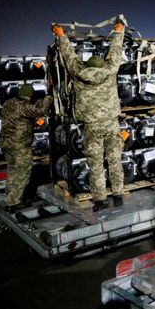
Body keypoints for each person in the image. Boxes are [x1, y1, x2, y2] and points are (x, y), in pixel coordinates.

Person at [52, 19, 126, 211]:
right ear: (103, 65)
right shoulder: (110, 71)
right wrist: (118, 30)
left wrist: (60, 35)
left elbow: (69, 56)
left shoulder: (79, 72)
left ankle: (100, 200)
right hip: (111, 124)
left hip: (92, 126)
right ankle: (118, 195)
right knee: (115, 159)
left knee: (95, 164)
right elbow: (115, 52)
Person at [0, 84, 53, 212]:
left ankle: (10, 195)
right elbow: (39, 110)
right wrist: (48, 98)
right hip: (19, 146)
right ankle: (14, 202)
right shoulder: (22, 106)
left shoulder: (9, 103)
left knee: (13, 170)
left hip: (7, 144)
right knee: (23, 172)